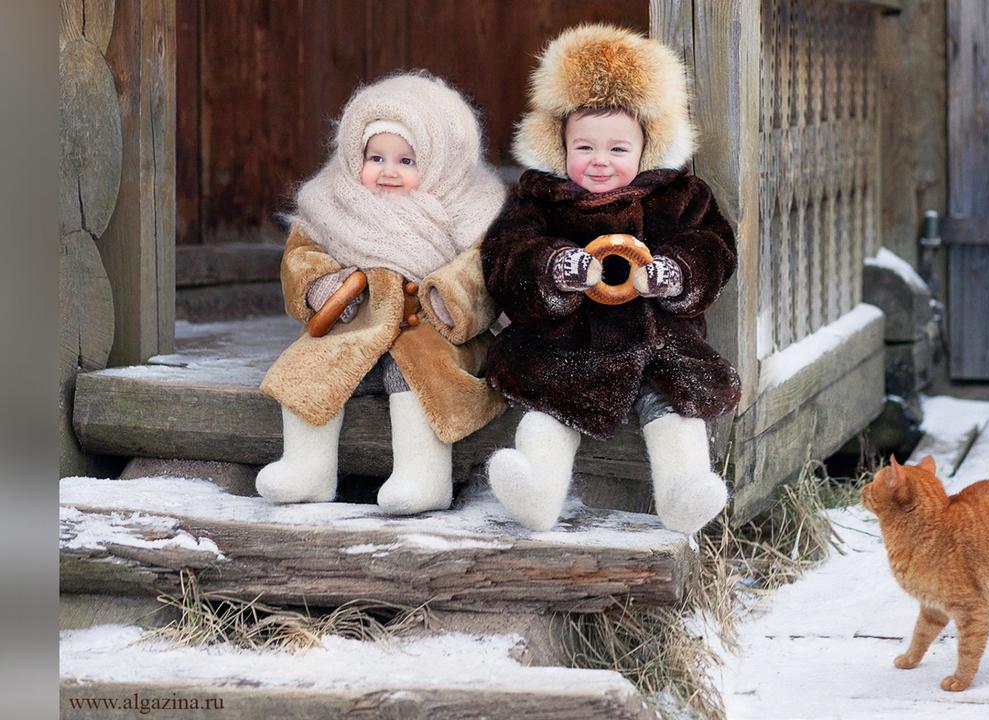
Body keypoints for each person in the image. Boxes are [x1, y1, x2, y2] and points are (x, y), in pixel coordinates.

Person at [481, 25, 741, 534]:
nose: (599, 162)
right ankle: (537, 491)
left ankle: (683, 492)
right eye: (584, 147)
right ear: (558, 144)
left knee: (675, 407)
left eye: (618, 150)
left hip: (657, 344)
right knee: (548, 408)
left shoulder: (681, 197)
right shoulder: (538, 199)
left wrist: (675, 274)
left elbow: (712, 248)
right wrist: (555, 268)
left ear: (648, 147)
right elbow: (505, 256)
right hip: (562, 345)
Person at [256, 72, 506, 514]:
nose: (388, 171)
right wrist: (322, 285)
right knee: (310, 367)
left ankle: (423, 476)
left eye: (407, 161)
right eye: (376, 157)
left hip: (431, 332)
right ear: (356, 155)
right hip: (358, 325)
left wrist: (450, 297)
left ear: (440, 161)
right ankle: (306, 469)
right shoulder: (331, 202)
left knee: (413, 373)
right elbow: (302, 253)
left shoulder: (474, 210)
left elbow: (484, 271)